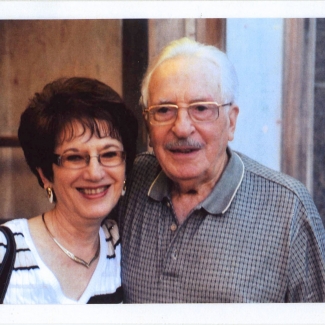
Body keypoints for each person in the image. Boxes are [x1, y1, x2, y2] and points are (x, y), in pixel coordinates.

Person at [119, 37, 325, 303]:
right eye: (164, 110)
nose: (182, 128)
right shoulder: (128, 182)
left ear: (231, 122)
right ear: (148, 124)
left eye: (202, 108)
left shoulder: (288, 209)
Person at [0, 77, 137, 304]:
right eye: (74, 157)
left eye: (110, 154)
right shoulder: (5, 250)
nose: (95, 173)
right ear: (45, 174)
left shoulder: (119, 247)